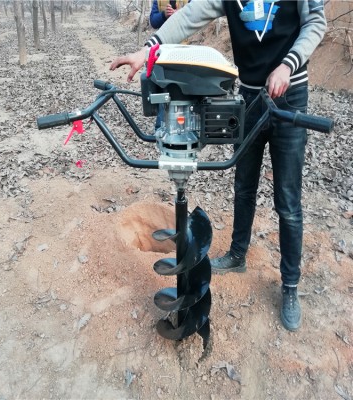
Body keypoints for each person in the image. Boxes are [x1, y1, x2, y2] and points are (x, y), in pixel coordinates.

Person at [110, 0, 327, 332]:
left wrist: (288, 65)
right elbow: (189, 16)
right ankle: (237, 255)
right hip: (249, 97)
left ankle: (290, 285)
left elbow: (315, 23)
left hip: (289, 95)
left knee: (287, 200)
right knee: (243, 186)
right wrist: (147, 51)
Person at [149, 0, 189, 131]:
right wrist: (163, 15)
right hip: (162, 52)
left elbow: (195, 16)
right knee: (163, 88)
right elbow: (153, 21)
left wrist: (179, 15)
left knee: (181, 90)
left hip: (182, 52)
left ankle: (183, 126)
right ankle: (161, 126)